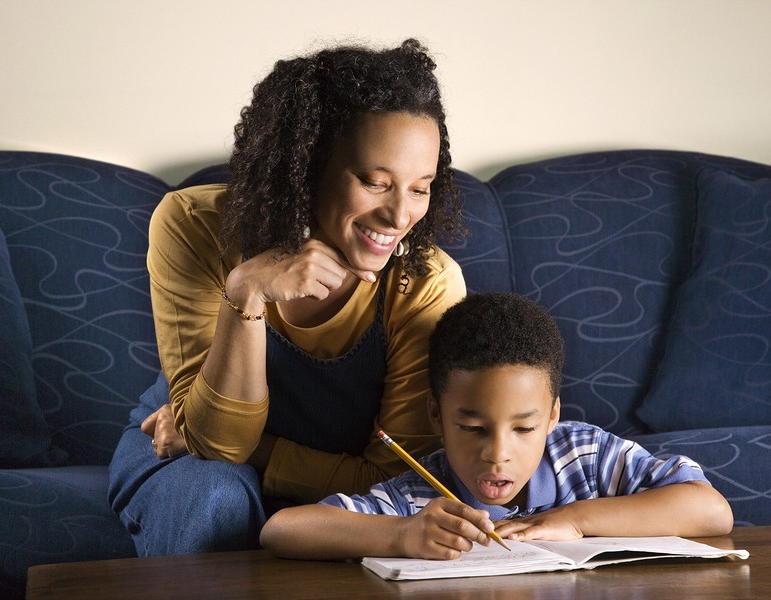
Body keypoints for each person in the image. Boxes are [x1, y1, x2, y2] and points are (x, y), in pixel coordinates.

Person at [107, 38, 468, 555]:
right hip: (182, 457)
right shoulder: (195, 226)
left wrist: (254, 452)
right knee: (215, 496)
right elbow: (216, 447)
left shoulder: (427, 284)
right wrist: (247, 292)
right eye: (374, 182)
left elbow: (391, 479)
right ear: (307, 167)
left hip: (335, 492)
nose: (399, 216)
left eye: (420, 187)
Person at [259, 292, 734, 560]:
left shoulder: (584, 458)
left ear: (552, 416)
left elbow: (711, 512)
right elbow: (282, 529)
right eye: (472, 428)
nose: (497, 453)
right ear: (435, 416)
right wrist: (400, 535)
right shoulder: (421, 499)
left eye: (524, 429)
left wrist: (573, 519)